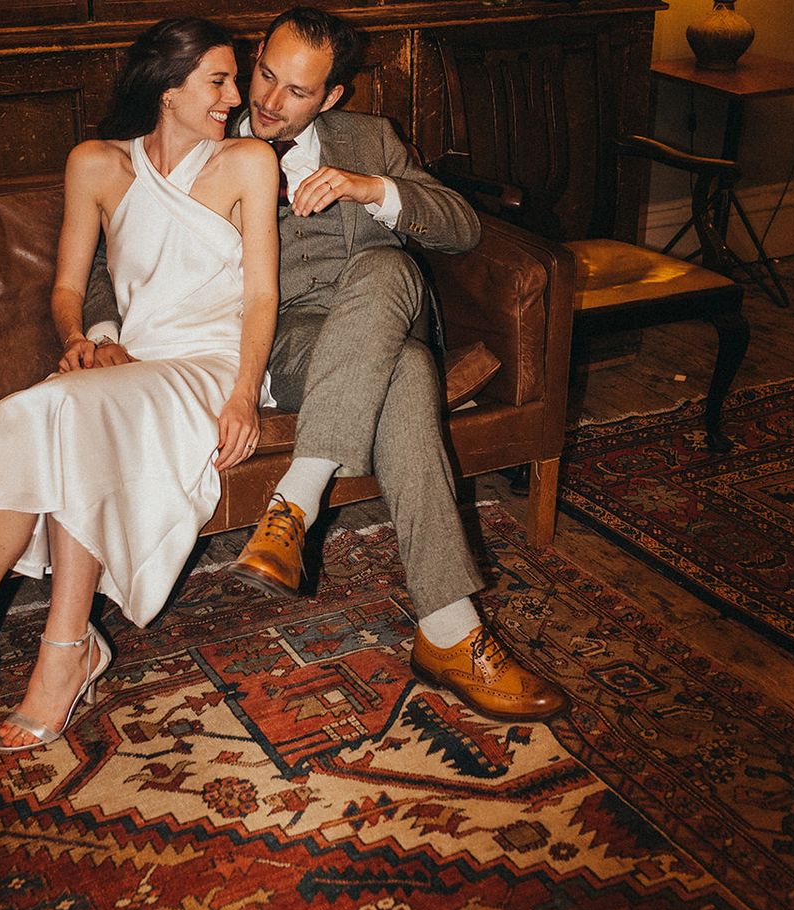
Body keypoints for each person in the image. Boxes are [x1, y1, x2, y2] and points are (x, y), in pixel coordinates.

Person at [84, 7, 566, 723]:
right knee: (406, 372)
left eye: (298, 91)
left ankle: (297, 508)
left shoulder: (369, 139)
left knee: (384, 269)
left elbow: (462, 227)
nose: (269, 103)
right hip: (282, 345)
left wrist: (372, 189)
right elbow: (112, 249)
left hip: (378, 309)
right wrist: (102, 329)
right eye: (265, 76)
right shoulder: (204, 136)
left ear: (333, 96)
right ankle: (449, 633)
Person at [0, 18, 280, 750]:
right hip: (132, 361)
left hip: (208, 368)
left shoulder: (250, 161)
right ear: (167, 86)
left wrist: (246, 391)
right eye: (218, 81)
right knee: (35, 411)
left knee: (63, 411)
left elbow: (260, 299)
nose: (234, 97)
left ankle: (58, 654)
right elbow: (68, 289)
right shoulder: (95, 164)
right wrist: (79, 341)